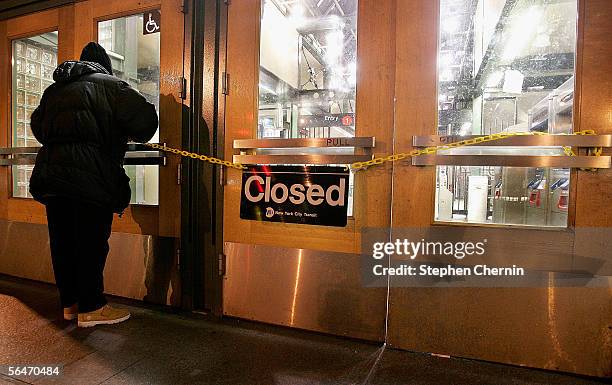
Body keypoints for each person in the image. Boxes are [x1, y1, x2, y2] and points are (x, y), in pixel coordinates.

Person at [29, 42, 158, 327]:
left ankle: (70, 304)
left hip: (53, 178)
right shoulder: (112, 86)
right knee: (90, 244)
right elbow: (146, 123)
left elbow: (38, 127)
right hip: (92, 178)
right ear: (104, 66)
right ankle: (92, 307)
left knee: (62, 243)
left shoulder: (54, 91)